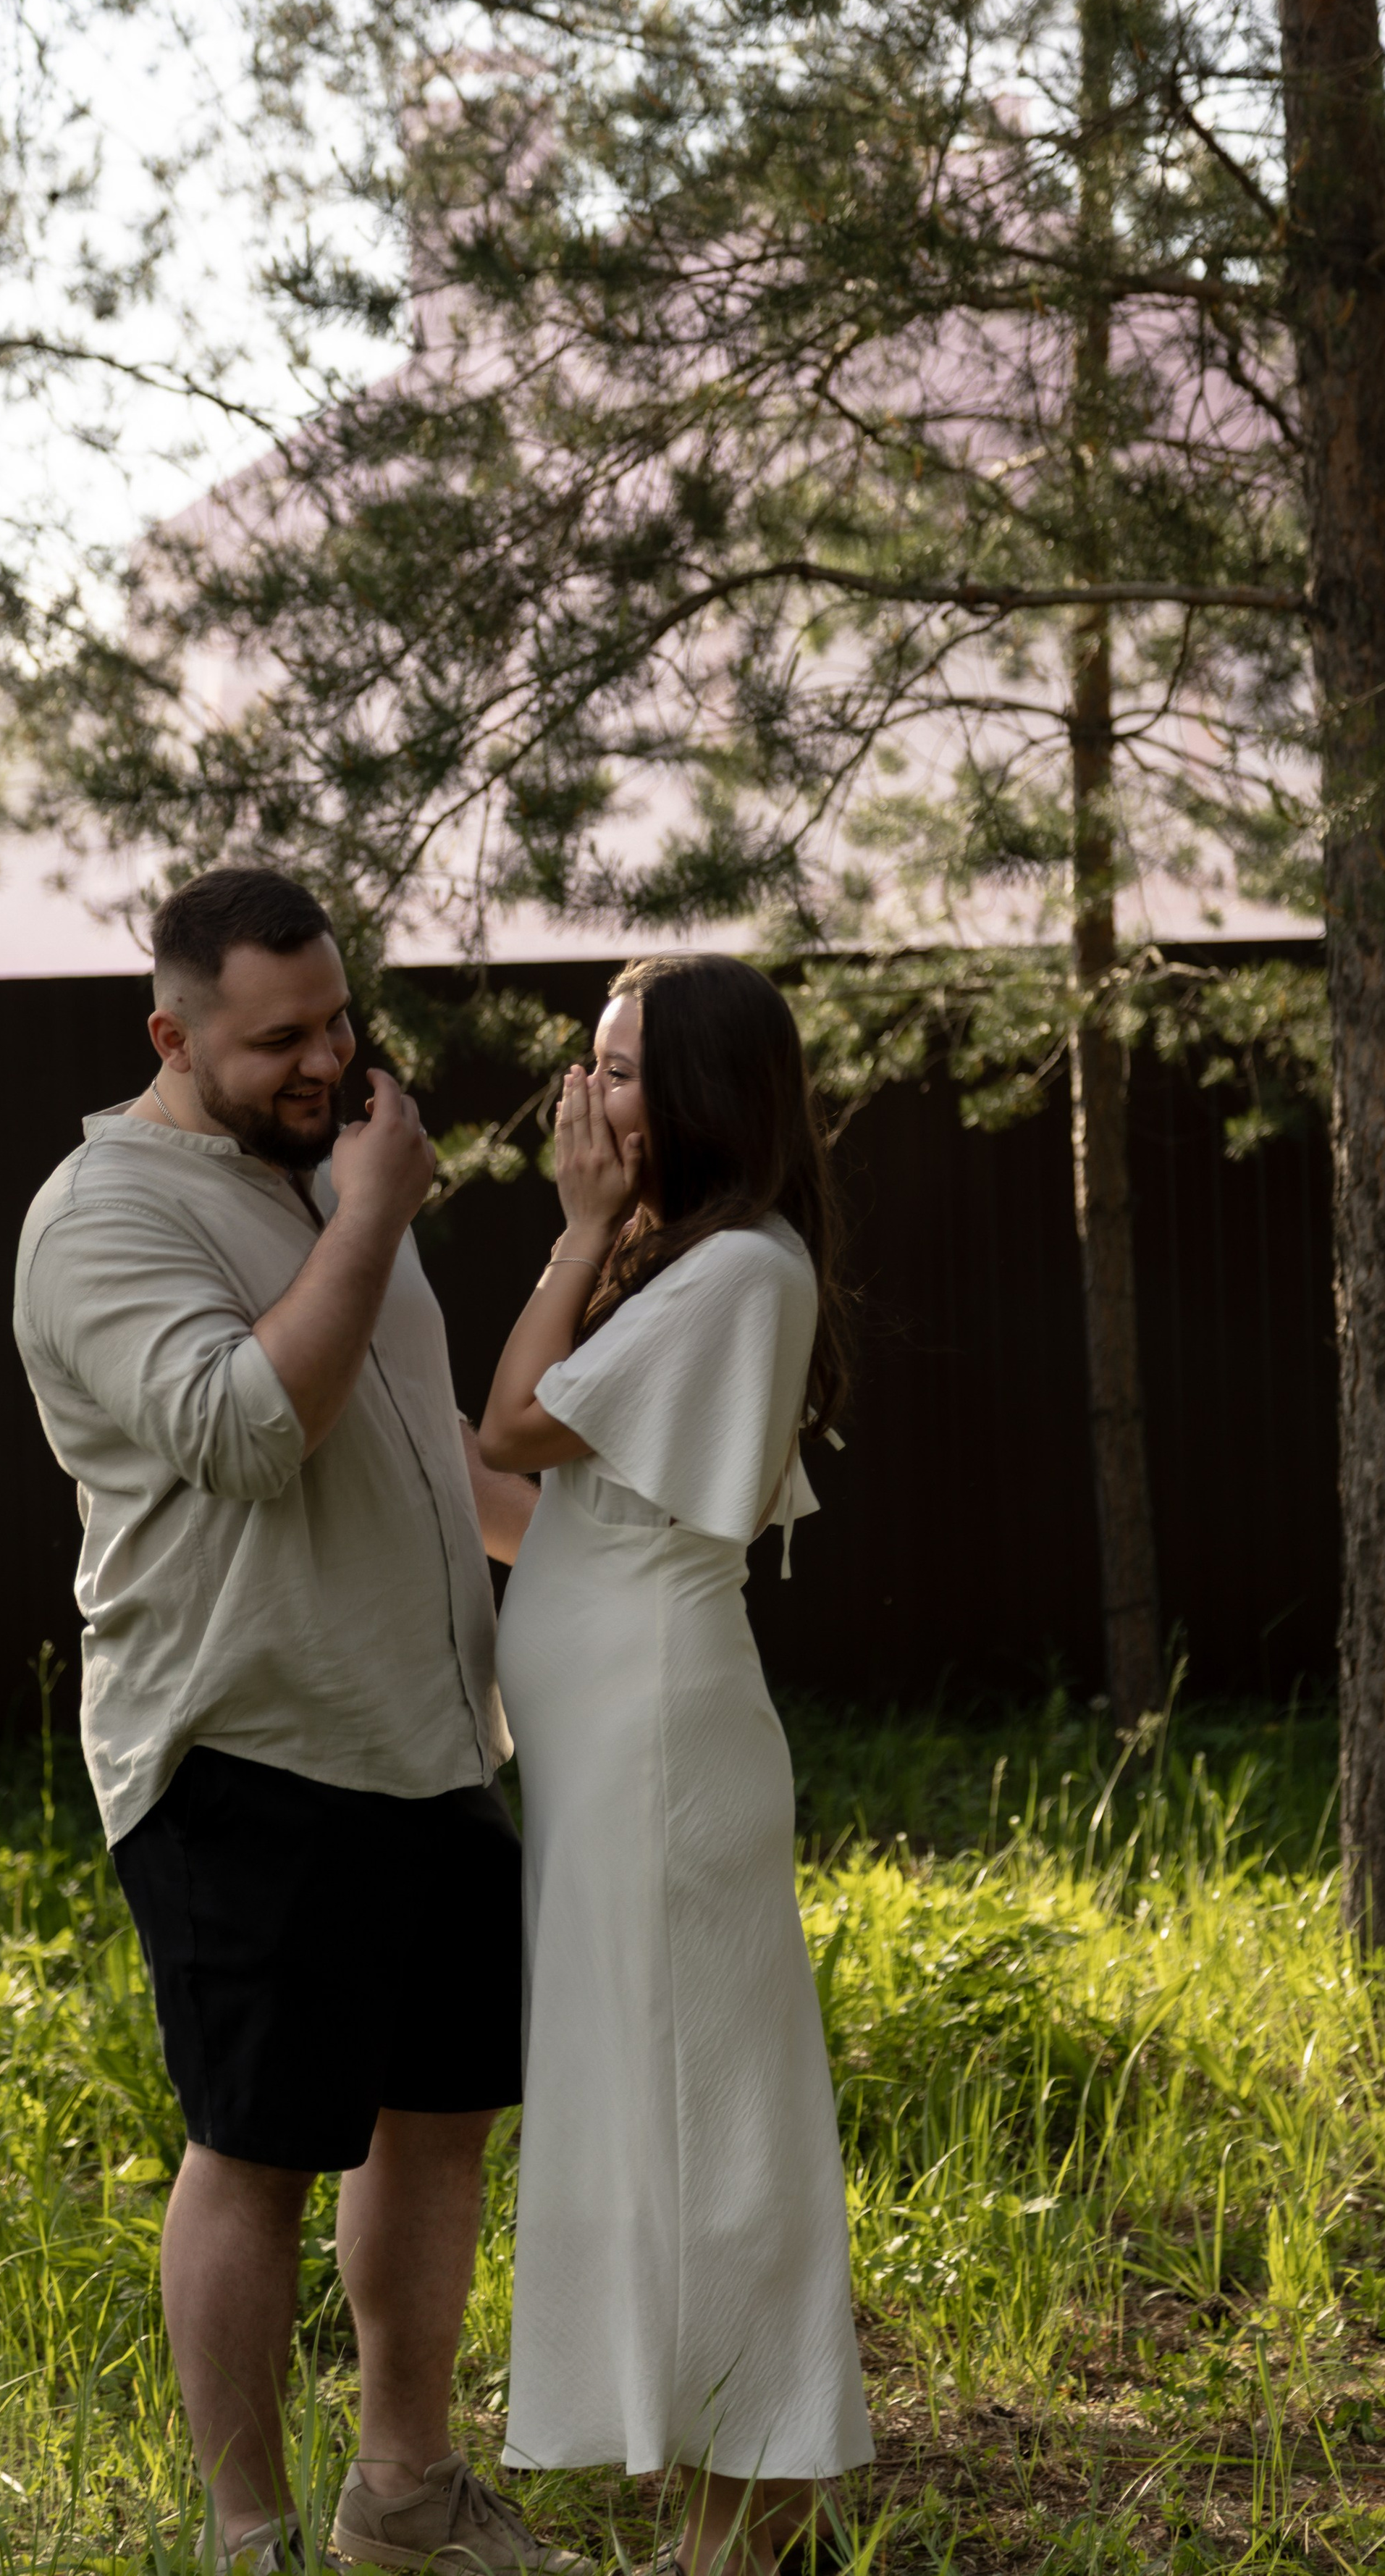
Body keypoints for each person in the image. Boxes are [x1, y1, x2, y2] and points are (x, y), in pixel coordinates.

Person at [13, 865, 579, 2576]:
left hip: (429, 1737)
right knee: (256, 2149)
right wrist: (371, 1219)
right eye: (278, 1039)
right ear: (171, 1035)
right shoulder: (104, 1217)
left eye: (337, 1016)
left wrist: (628, 1584)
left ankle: (403, 2499)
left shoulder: (328, 1190)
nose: (327, 1058)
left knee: (433, 2125)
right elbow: (250, 1431)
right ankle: (251, 2540)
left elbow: (436, 1457)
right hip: (247, 1749)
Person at [476, 953, 873, 2576]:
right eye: (593, 1062)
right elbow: (540, 1517)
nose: (593, 1097)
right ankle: (727, 2508)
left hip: (657, 1754)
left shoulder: (735, 1279)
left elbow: (508, 1432)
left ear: (707, 1090)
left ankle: (748, 2513)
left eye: (626, 1067)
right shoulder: (688, 1269)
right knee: (652, 2120)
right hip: (601, 1757)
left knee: (711, 2127)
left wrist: (569, 1237)